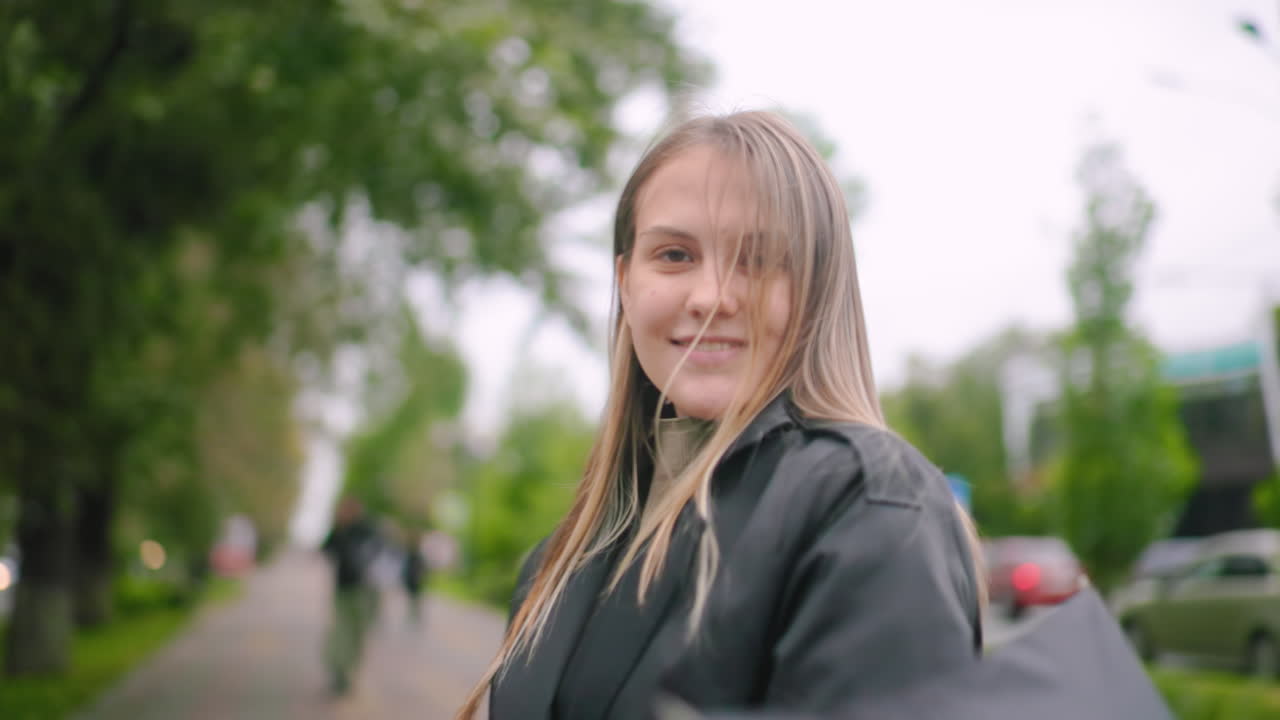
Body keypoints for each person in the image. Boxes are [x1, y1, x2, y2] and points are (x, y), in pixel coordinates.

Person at [456, 111, 985, 720]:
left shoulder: (865, 503)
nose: (711, 298)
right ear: (626, 282)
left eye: (759, 260)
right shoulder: (555, 565)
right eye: (675, 254)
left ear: (818, 288)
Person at [320, 496, 381, 696]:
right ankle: (340, 671)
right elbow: (325, 549)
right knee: (342, 631)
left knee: (357, 632)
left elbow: (379, 551)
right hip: (344, 589)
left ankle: (348, 670)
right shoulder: (340, 530)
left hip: (363, 590)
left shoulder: (366, 529)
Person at [401, 531, 429, 624]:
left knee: (415, 600)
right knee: (413, 600)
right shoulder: (410, 554)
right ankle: (413, 617)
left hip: (415, 581)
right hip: (412, 580)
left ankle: (415, 617)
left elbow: (423, 569)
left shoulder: (417, 555)